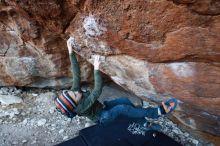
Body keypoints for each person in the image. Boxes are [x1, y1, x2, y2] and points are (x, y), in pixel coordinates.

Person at [53, 37, 178, 124]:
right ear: (75, 104)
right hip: (103, 117)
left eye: (72, 91)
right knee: (122, 108)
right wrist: (96, 68)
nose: (76, 91)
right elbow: (97, 91)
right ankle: (156, 112)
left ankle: (143, 123)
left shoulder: (74, 93)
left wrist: (70, 52)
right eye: (75, 95)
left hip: (103, 108)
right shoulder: (81, 107)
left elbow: (76, 75)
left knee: (124, 101)